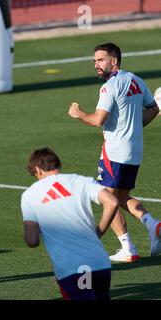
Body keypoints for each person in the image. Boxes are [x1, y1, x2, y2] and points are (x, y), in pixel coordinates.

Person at [68, 43, 161, 262]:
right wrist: (134, 128)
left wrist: (79, 113)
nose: (96, 65)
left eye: (100, 60)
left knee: (106, 198)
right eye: (94, 61)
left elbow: (98, 120)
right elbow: (154, 109)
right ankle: (153, 224)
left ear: (114, 61)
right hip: (134, 151)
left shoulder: (109, 87)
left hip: (115, 151)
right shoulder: (136, 80)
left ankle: (127, 247)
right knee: (121, 197)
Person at [21, 148, 119, 300]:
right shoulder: (82, 181)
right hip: (101, 264)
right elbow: (112, 202)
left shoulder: (29, 195)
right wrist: (99, 231)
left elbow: (32, 241)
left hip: (73, 269)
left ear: (38, 170)